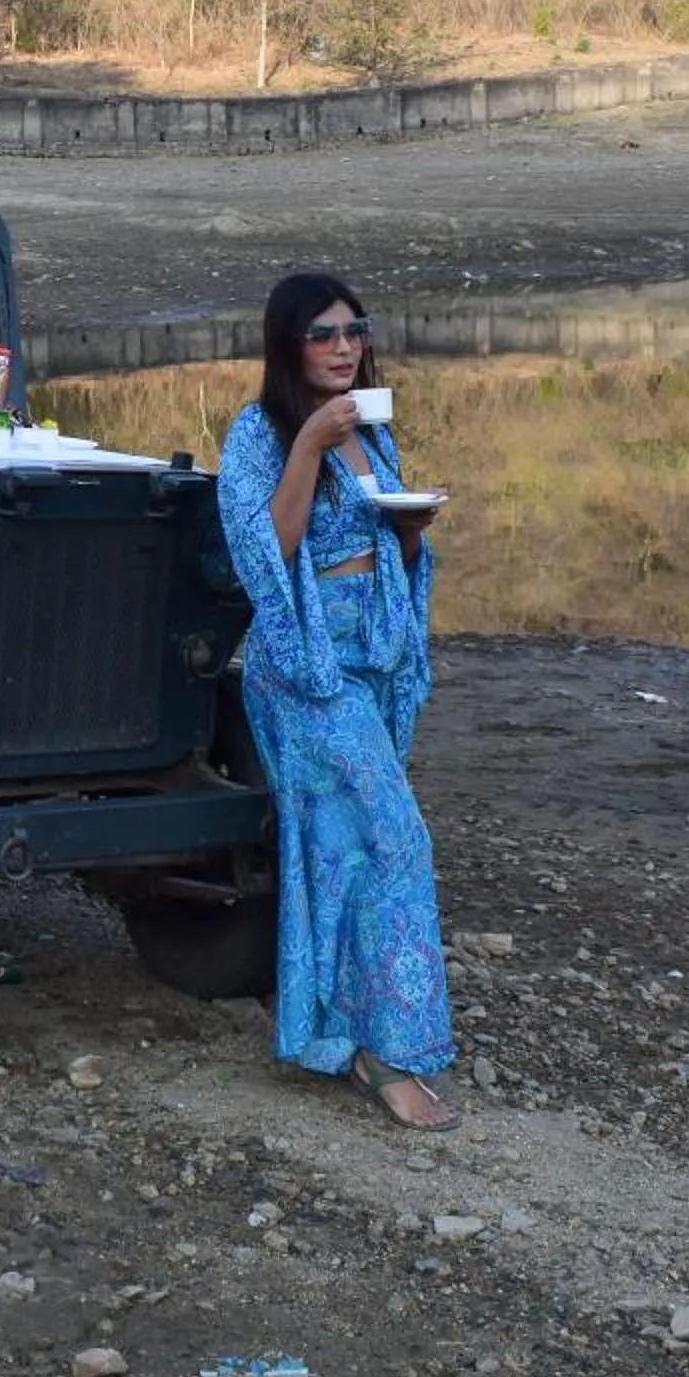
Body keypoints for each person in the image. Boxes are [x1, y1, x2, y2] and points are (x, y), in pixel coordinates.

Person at [214, 272, 457, 1129]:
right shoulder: (258, 436)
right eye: (324, 334)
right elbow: (265, 555)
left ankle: (333, 1028)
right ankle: (393, 1051)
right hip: (307, 669)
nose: (344, 346)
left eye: (355, 331)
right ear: (288, 344)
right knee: (397, 835)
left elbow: (382, 539)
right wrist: (308, 447)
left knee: (343, 847)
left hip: (374, 653)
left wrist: (411, 530)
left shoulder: (373, 434)